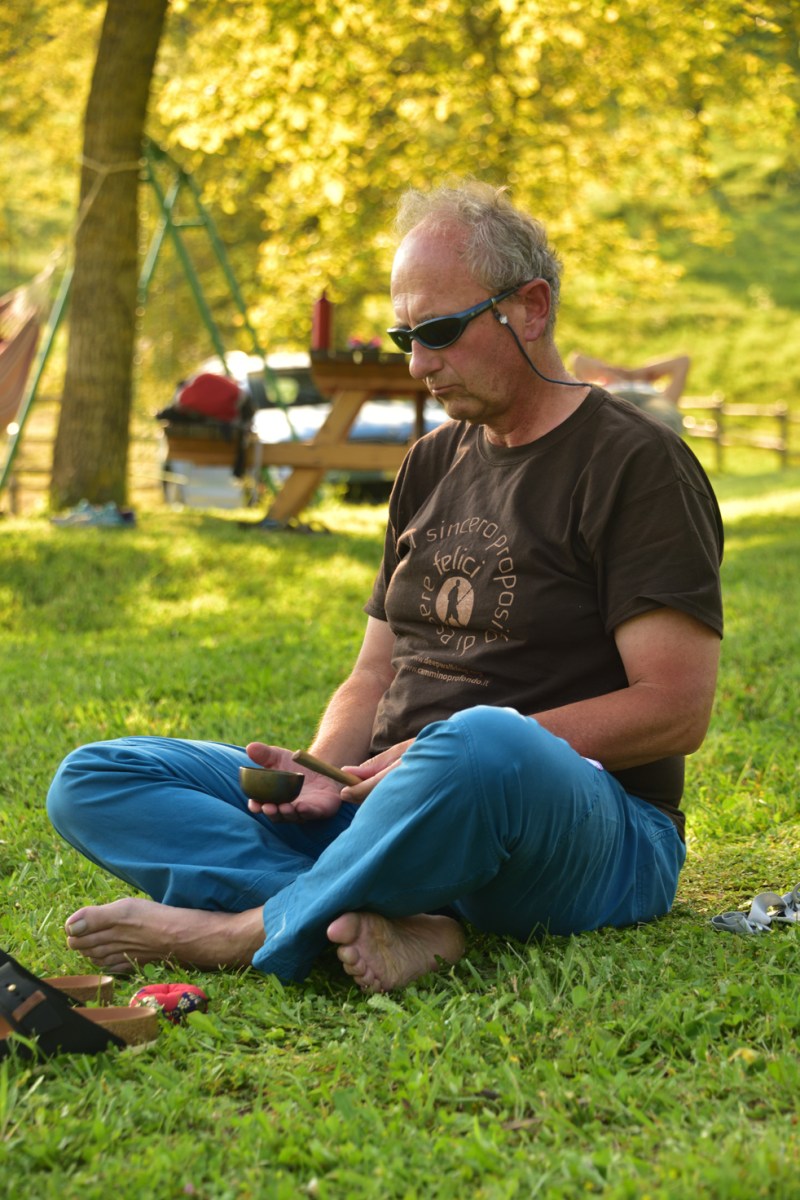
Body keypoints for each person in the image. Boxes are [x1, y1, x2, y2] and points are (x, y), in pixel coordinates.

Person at [46, 182, 723, 994]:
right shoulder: (431, 463)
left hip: (586, 830)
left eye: (438, 331)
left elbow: (675, 708)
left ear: (532, 308)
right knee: (98, 776)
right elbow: (374, 672)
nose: (417, 364)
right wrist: (325, 771)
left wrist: (437, 757)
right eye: (407, 336)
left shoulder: (636, 462)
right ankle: (406, 914)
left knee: (483, 742)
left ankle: (245, 930)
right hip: (385, 807)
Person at [571, 351, 691, 432]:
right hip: (614, 400)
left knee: (665, 424)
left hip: (653, 405)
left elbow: (682, 362)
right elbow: (578, 360)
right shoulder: (604, 388)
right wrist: (610, 372)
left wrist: (636, 373)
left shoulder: (657, 395)